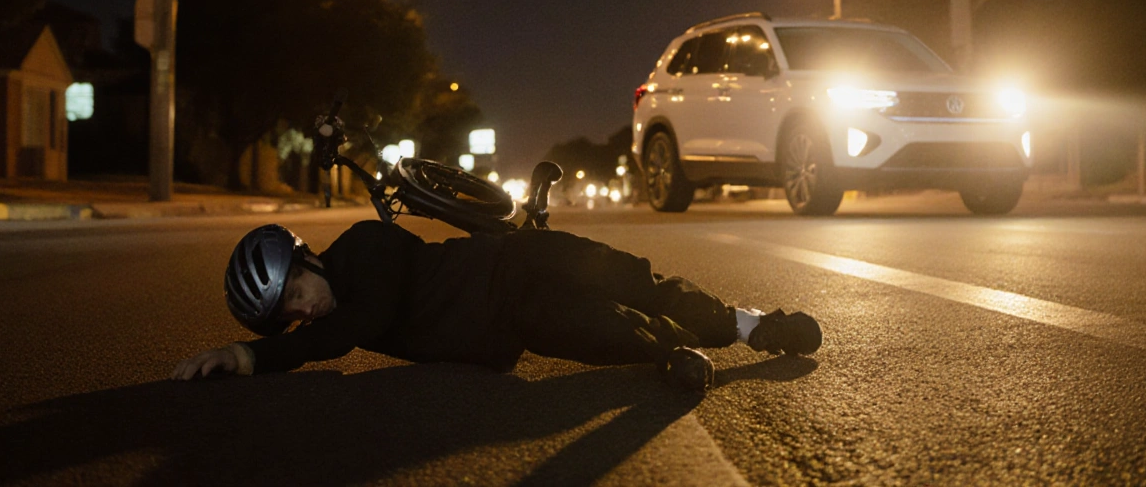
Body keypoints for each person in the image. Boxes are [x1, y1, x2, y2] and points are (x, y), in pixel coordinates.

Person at [172, 221, 822, 392]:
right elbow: (336, 332)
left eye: (294, 294)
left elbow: (352, 330)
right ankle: (669, 351)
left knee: (636, 281)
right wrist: (253, 353)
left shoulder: (364, 249)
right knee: (602, 330)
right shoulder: (337, 315)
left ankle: (751, 323)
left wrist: (251, 353)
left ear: (307, 261)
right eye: (287, 317)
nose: (301, 313)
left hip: (520, 260)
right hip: (518, 318)